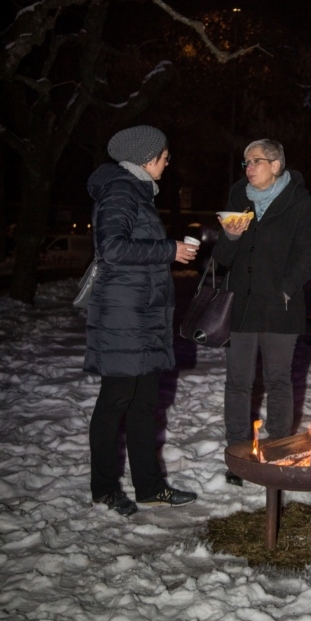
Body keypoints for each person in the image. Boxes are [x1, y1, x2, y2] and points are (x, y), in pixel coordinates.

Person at [84, 125, 198, 515]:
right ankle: (104, 489)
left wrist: (168, 250)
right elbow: (112, 248)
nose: (167, 162)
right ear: (147, 159)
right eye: (164, 156)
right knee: (115, 400)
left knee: (144, 403)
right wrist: (169, 249)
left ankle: (149, 487)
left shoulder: (137, 192)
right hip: (123, 316)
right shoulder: (120, 190)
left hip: (144, 314)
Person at [212, 139, 311, 485]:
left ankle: (277, 452)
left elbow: (310, 255)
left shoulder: (300, 202)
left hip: (279, 307)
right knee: (237, 383)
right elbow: (221, 258)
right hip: (241, 306)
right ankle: (238, 457)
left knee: (277, 381)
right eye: (246, 162)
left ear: (276, 165)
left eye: (256, 161)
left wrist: (285, 288)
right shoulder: (238, 198)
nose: (249, 167)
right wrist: (230, 238)